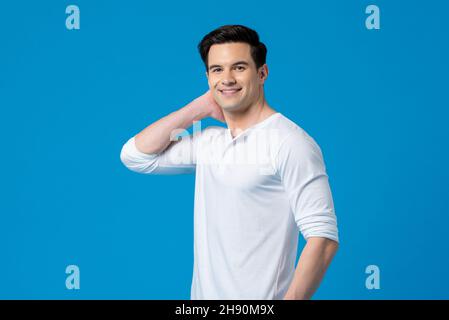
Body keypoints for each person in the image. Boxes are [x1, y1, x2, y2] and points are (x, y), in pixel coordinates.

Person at [120, 25, 339, 300]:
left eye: (239, 67)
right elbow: (135, 156)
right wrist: (197, 108)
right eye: (217, 70)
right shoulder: (209, 142)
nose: (227, 78)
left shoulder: (290, 142)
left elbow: (323, 237)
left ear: (262, 73)